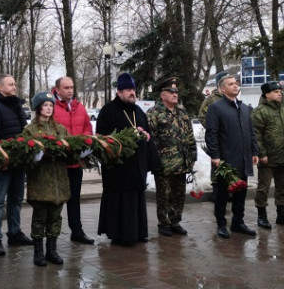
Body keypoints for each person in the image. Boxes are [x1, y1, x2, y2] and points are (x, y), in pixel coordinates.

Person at [96, 73, 155, 246]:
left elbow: (148, 133)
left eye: (133, 90)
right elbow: (101, 138)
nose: (132, 93)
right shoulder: (108, 111)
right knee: (120, 201)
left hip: (137, 166)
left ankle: (138, 232)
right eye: (128, 90)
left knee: (136, 199)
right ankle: (119, 233)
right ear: (119, 92)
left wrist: (146, 137)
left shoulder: (138, 111)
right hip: (118, 168)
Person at [0, 74, 33, 255]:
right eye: (10, 84)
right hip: (3, 162)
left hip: (18, 161)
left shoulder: (16, 105)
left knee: (16, 199)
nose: (14, 86)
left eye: (15, 83)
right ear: (0, 87)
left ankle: (14, 233)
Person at [205, 74, 259, 239]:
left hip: (243, 158)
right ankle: (221, 224)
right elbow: (211, 134)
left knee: (241, 192)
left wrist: (255, 151)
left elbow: (251, 133)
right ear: (222, 89)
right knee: (221, 194)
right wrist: (215, 155)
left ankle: (238, 222)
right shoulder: (216, 108)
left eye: (236, 83)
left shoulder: (245, 109)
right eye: (231, 84)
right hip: (225, 159)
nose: (235, 86)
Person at [22, 91, 71, 266]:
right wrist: (34, 158)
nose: (49, 108)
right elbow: (24, 156)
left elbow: (69, 150)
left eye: (51, 105)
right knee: (40, 217)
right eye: (45, 105)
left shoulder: (60, 129)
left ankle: (52, 250)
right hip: (41, 181)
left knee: (56, 217)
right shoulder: (30, 130)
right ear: (38, 108)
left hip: (59, 181)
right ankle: (38, 252)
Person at [147, 77, 197, 237]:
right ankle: (164, 223)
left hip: (181, 162)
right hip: (164, 163)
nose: (175, 94)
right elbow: (150, 139)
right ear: (162, 95)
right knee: (164, 196)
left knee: (179, 195)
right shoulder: (154, 113)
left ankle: (175, 221)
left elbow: (190, 137)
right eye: (170, 92)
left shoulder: (182, 114)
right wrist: (154, 161)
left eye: (176, 91)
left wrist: (192, 157)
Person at [251, 82, 284, 231]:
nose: (279, 94)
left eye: (280, 91)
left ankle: (282, 215)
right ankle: (262, 215)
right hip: (268, 157)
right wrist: (262, 154)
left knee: (283, 186)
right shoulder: (259, 112)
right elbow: (256, 135)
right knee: (264, 187)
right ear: (267, 94)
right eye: (275, 91)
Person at [52, 76, 94, 244]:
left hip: (76, 161)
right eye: (66, 87)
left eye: (72, 87)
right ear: (58, 90)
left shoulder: (80, 107)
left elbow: (87, 128)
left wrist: (83, 145)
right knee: (56, 199)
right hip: (59, 162)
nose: (70, 90)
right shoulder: (51, 107)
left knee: (74, 197)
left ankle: (76, 230)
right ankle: (51, 234)